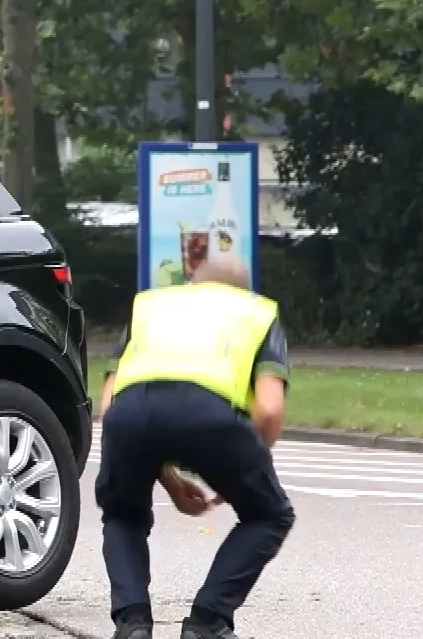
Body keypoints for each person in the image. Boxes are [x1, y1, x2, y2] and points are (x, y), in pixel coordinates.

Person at [95, 252, 296, 639]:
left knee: (123, 513)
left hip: (129, 415)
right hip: (211, 417)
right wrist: (242, 466)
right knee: (269, 514)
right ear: (243, 291)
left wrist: (167, 478)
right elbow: (269, 410)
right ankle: (208, 622)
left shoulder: (150, 308)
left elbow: (109, 405)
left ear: (192, 283)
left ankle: (132, 623)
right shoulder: (254, 313)